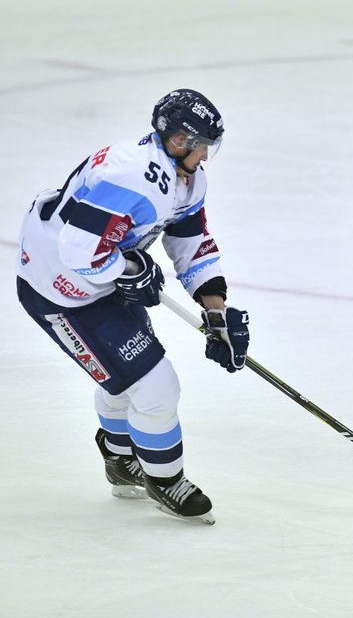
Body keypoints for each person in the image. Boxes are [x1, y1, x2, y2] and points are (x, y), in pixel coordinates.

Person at [15, 89, 251, 523]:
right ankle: (163, 479)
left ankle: (120, 462)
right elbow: (79, 252)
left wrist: (215, 310)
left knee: (127, 379)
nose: (203, 155)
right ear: (174, 139)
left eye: (206, 146)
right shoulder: (131, 176)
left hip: (97, 281)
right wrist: (129, 267)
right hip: (60, 290)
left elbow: (189, 241)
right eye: (196, 144)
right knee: (156, 387)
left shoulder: (186, 177)